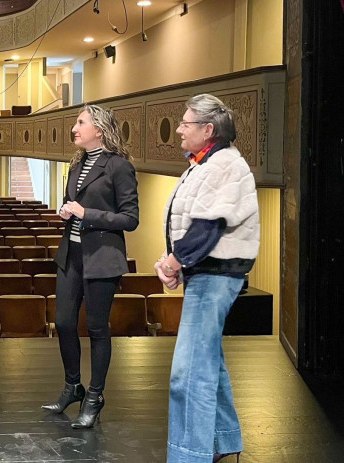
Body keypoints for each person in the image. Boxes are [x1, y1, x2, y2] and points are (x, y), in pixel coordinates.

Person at [155, 94, 259, 463]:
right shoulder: (204, 163)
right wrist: (178, 264)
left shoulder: (224, 165)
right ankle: (222, 442)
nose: (179, 130)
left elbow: (207, 226)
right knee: (208, 361)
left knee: (189, 373)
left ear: (208, 129)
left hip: (216, 275)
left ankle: (189, 456)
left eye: (186, 123)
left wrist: (175, 260)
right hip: (205, 273)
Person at [42, 104, 139, 428]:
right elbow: (78, 204)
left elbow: (130, 219)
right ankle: (73, 386)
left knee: (97, 330)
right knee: (64, 323)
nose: (74, 128)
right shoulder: (77, 164)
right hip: (71, 255)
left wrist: (87, 214)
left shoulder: (118, 166)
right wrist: (67, 211)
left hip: (103, 259)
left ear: (99, 129)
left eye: (81, 122)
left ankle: (95, 396)